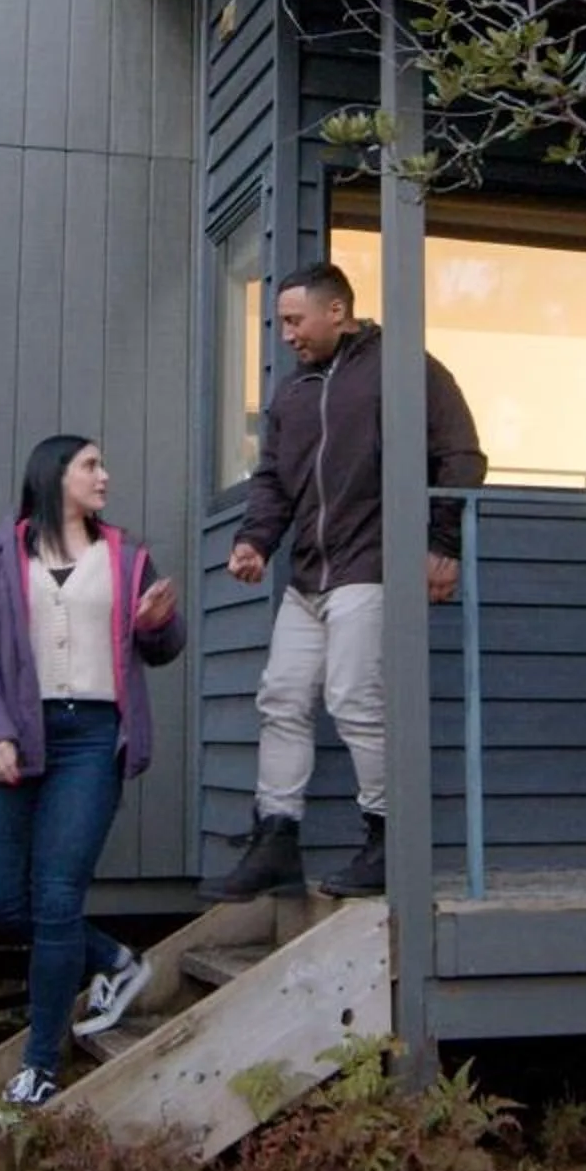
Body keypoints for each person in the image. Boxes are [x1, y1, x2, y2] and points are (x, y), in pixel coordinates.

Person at [204, 262, 487, 902]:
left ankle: (390, 841)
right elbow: (273, 483)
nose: (286, 335)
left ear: (337, 311)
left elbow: (462, 455)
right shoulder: (294, 394)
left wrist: (442, 545)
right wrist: (253, 542)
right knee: (280, 698)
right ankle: (276, 837)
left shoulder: (405, 366)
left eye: (295, 321)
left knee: (355, 696)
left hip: (374, 565)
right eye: (281, 324)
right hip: (308, 577)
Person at [0, 434, 185, 1109]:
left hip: (92, 739)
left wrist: (155, 626)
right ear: (55, 476)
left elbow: (164, 647)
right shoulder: (0, 555)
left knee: (57, 898)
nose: (104, 475)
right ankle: (115, 961)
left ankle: (40, 1065)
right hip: (17, 734)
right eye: (91, 465)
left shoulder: (126, 555)